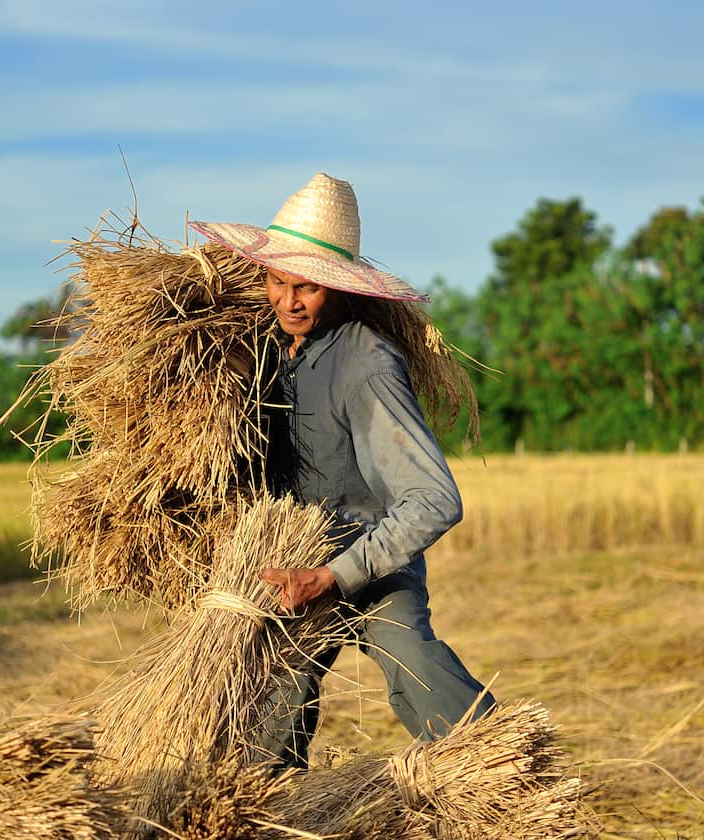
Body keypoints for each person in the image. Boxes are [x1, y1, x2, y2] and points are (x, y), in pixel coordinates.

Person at [189, 172, 495, 769]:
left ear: (339, 288)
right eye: (277, 282)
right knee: (269, 713)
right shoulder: (268, 351)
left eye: (306, 287)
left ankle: (507, 782)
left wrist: (335, 574)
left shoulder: (367, 363)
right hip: (291, 560)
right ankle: (258, 809)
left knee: (415, 664)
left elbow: (434, 500)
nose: (289, 301)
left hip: (369, 557)